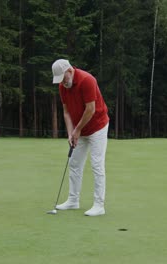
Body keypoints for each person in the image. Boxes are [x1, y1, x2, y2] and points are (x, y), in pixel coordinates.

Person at [52, 59, 109, 216]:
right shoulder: (62, 87)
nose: (62, 83)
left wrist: (77, 130)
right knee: (74, 163)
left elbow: (90, 110)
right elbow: (66, 111)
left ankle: (99, 205)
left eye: (63, 78)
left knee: (97, 164)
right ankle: (73, 200)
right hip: (79, 128)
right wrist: (71, 133)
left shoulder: (87, 80)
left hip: (98, 127)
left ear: (69, 71)